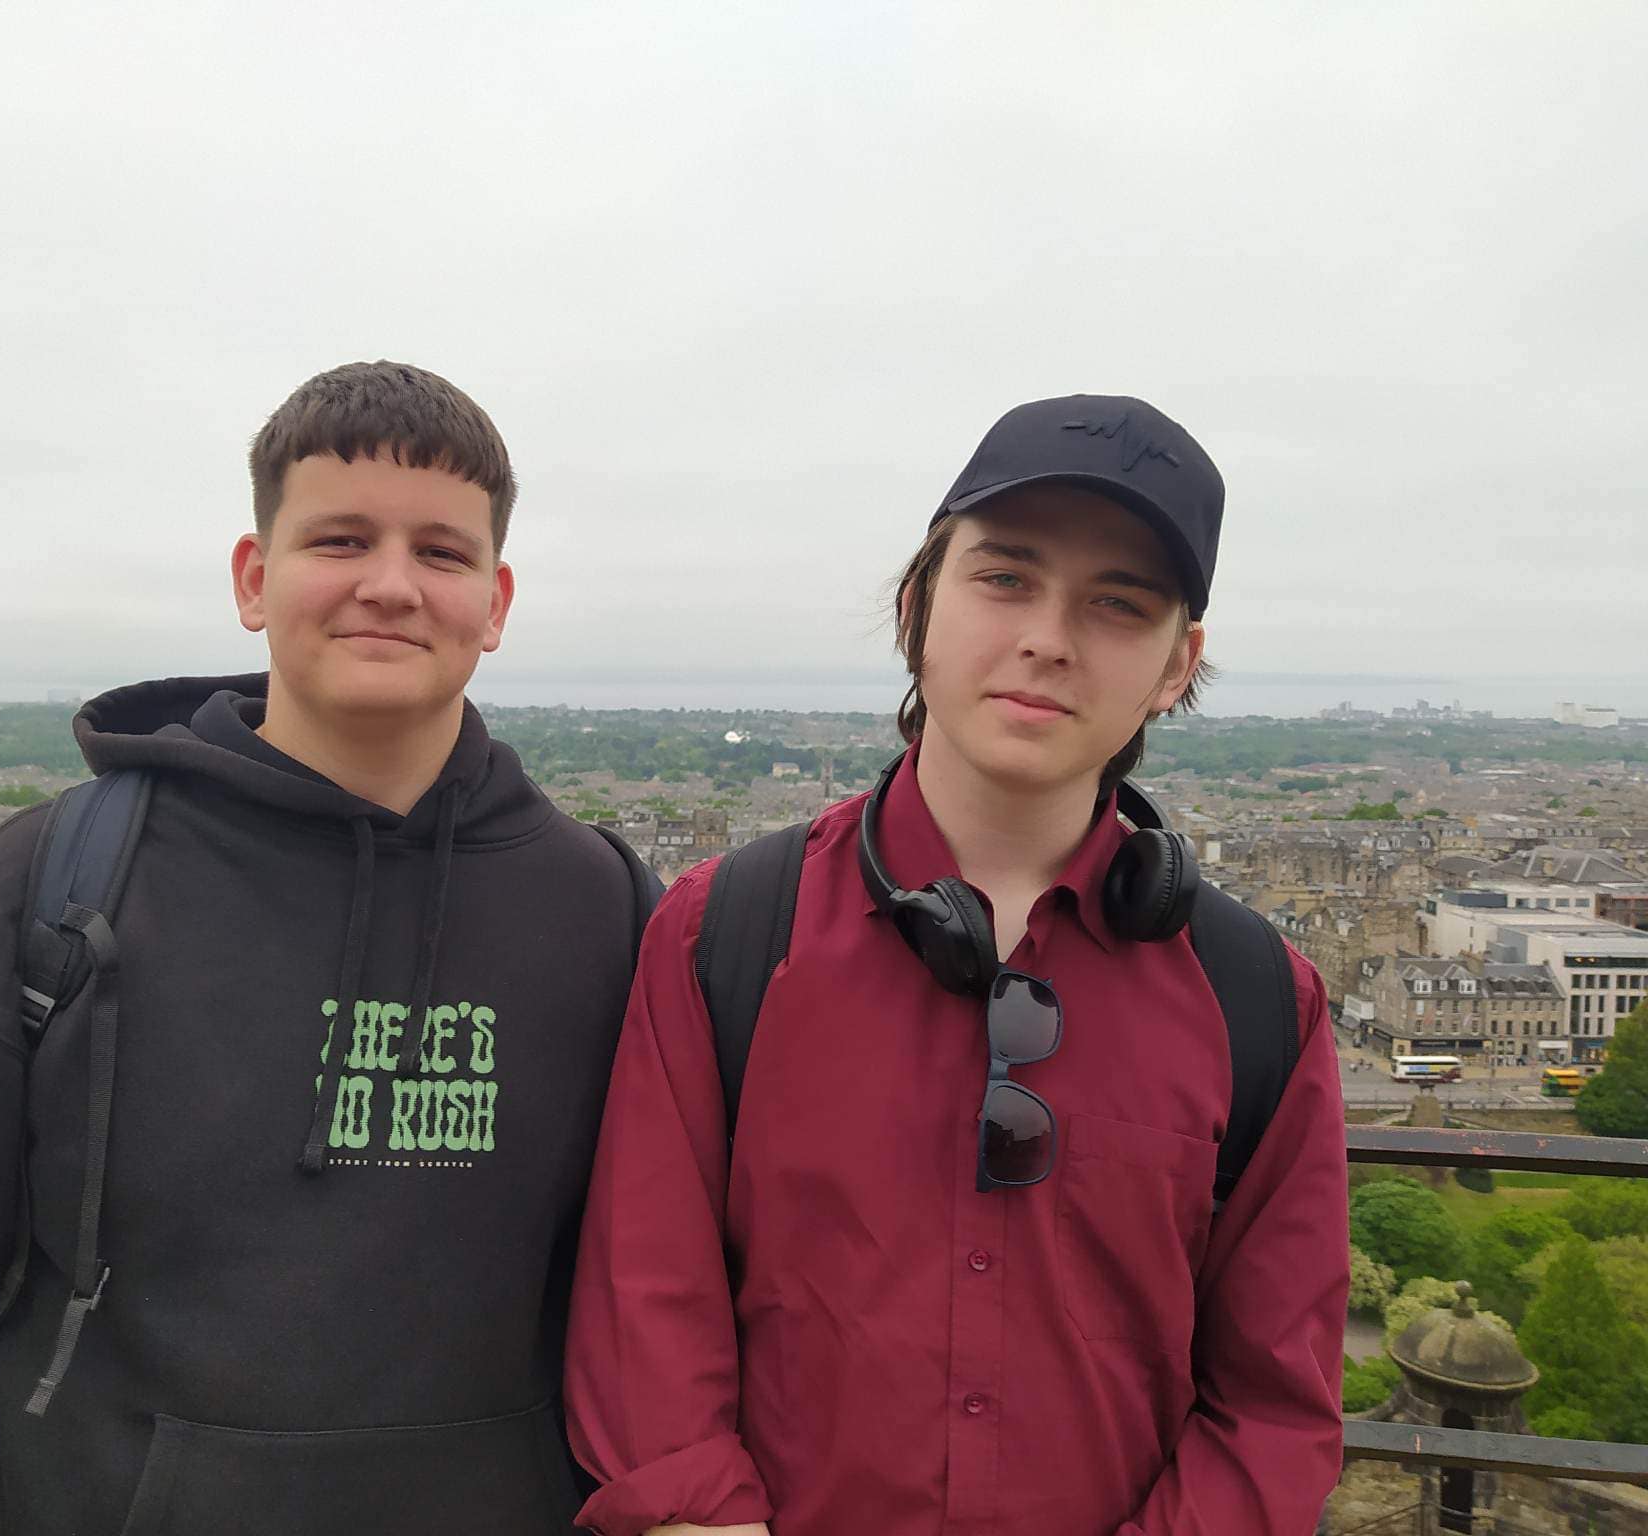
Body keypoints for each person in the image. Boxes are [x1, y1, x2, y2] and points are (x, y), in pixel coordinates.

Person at [0, 361, 652, 1534]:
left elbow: (669, 1303)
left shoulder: (606, 912)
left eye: (440, 553)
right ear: (254, 577)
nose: (390, 585)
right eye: (339, 540)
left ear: (494, 602)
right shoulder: (47, 889)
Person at [565, 396, 1350, 1535]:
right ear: (915, 604)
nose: (1048, 638)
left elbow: (1272, 1405)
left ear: (1177, 665)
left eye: (1117, 603)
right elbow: (645, 1306)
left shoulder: (1260, 1000)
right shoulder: (720, 936)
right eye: (1004, 578)